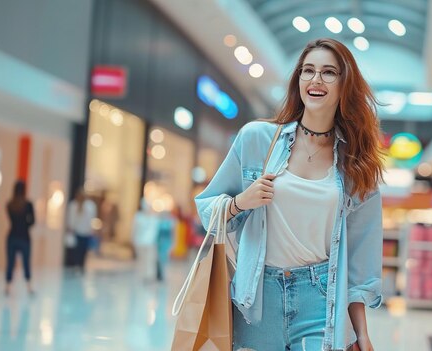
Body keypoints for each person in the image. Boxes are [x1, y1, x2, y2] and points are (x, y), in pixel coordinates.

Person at [195, 38, 384, 351]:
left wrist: (361, 333)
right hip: (256, 300)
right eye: (307, 71)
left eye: (329, 72)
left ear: (344, 84)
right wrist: (241, 202)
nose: (315, 80)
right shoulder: (257, 139)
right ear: (298, 81)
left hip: (320, 299)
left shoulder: (356, 164)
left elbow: (360, 262)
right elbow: (207, 210)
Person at [5, 180, 35, 296]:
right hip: (24, 237)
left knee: (10, 262)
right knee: (26, 262)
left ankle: (8, 287)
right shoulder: (28, 205)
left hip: (12, 236)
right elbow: (32, 221)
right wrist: (25, 225)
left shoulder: (9, 204)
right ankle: (29, 287)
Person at [66, 189, 97, 273]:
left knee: (82, 250)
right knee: (78, 250)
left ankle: (80, 265)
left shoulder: (89, 206)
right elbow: (71, 219)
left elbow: (91, 219)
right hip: (78, 232)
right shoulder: (74, 205)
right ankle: (77, 265)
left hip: (84, 232)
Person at [131, 198, 159, 283]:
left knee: (150, 260)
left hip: (150, 243)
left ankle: (149, 276)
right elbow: (134, 229)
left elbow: (155, 231)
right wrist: (133, 239)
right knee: (142, 260)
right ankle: (142, 275)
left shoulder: (153, 218)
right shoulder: (138, 217)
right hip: (140, 242)